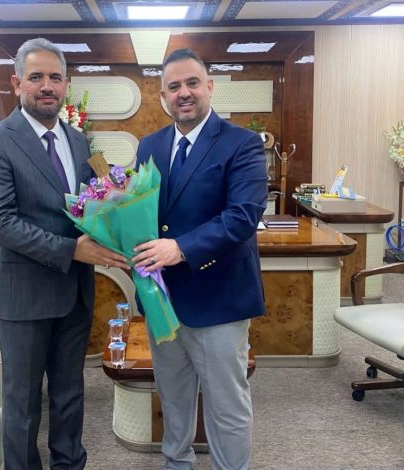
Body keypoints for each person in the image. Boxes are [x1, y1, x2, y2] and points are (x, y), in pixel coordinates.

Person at [0, 37, 128, 470]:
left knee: (70, 393)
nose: (47, 86)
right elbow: (0, 222)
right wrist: (73, 250)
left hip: (74, 293)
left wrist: (120, 216)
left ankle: (69, 464)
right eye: (36, 77)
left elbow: (89, 204)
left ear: (66, 85)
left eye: (55, 78)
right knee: (22, 403)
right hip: (24, 296)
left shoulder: (78, 141)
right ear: (16, 83)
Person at [132, 48, 268, 470]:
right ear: (163, 97)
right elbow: (141, 214)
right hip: (163, 300)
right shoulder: (149, 146)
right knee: (173, 397)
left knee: (226, 405)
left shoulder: (242, 144)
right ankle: (177, 463)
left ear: (209, 87)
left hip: (219, 298)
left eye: (192, 83)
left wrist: (180, 248)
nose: (184, 93)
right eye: (173, 87)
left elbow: (242, 216)